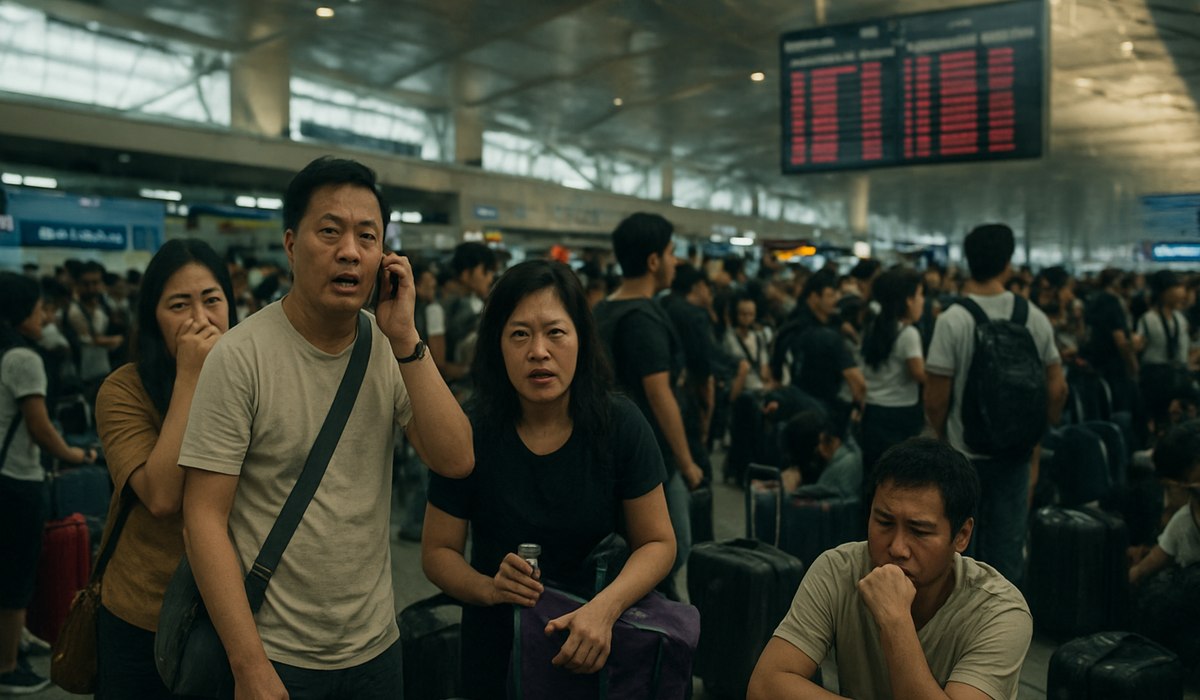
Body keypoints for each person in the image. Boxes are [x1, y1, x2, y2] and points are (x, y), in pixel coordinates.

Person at [179, 157, 474, 699]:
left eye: (368, 236)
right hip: (273, 652)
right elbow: (202, 517)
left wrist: (406, 340)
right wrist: (248, 665)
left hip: (376, 647)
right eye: (330, 231)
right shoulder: (240, 356)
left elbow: (455, 458)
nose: (350, 251)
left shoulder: (389, 347)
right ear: (292, 244)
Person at [422, 260, 675, 698]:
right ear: (497, 345)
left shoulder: (620, 424)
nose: (538, 351)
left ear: (581, 338)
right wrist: (488, 587)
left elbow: (658, 542)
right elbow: (437, 552)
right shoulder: (470, 430)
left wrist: (604, 609)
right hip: (498, 653)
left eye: (555, 332)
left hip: (598, 647)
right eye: (520, 334)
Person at [748, 437, 1033, 700]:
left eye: (919, 531)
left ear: (961, 536)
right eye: (884, 523)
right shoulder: (838, 569)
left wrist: (895, 620)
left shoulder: (1000, 612)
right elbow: (765, 686)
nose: (897, 548)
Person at [90, 239, 234, 698]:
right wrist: (191, 377)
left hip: (234, 611)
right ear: (153, 316)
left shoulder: (250, 379)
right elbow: (161, 497)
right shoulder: (123, 391)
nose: (200, 318)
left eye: (212, 300)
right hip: (142, 611)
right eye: (179, 304)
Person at [925, 224, 1066, 583]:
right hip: (1015, 455)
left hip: (964, 455)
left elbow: (936, 397)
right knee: (1006, 549)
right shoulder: (1033, 316)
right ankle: (1003, 630)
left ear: (968, 263)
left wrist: (941, 437)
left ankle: (957, 630)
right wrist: (1037, 433)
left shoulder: (953, 319)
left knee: (958, 551)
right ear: (1008, 263)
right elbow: (1057, 388)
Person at [593, 212, 704, 593]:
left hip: (614, 444)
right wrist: (686, 462)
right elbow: (659, 393)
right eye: (672, 252)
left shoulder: (604, 309)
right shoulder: (642, 317)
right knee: (673, 546)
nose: (676, 262)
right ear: (654, 260)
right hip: (653, 450)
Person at [0, 272, 97, 695]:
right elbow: (40, 428)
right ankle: (7, 666)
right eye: (39, 307)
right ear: (21, 310)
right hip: (17, 479)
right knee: (16, 572)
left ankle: (15, 639)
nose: (45, 315)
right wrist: (78, 455)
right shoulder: (24, 358)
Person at [771, 269, 866, 417]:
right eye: (830, 295)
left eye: (836, 294)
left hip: (796, 406)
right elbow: (857, 382)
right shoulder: (819, 334)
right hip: (821, 408)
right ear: (814, 297)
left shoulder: (793, 325)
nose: (836, 299)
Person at [860, 267, 927, 477]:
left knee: (875, 477)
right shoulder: (909, 334)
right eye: (920, 294)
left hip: (872, 413)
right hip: (900, 416)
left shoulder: (873, 326)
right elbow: (918, 373)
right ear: (908, 300)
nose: (922, 301)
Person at [777, 409, 862, 499]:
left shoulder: (842, 464)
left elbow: (820, 493)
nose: (819, 449)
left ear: (832, 441)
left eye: (821, 443)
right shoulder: (849, 455)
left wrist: (794, 492)